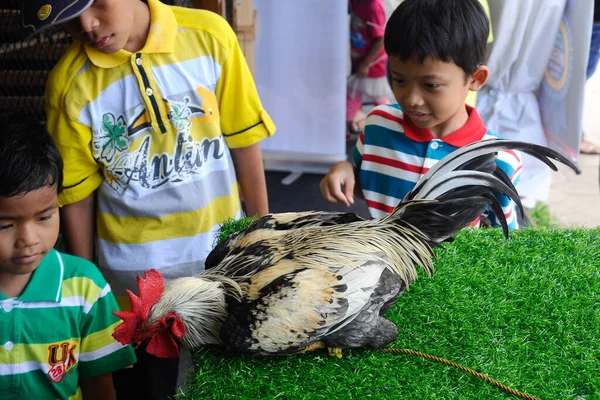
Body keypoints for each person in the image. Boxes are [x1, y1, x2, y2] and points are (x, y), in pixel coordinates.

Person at [20, 0, 275, 398]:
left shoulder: (210, 37)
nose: (86, 25)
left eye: (95, 4)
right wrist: (90, 283)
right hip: (134, 292)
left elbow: (245, 141)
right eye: (67, 20)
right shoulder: (70, 84)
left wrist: (266, 236)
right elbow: (77, 194)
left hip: (222, 267)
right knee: (149, 389)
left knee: (227, 383)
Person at [321, 0, 523, 229]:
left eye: (430, 85)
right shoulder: (377, 125)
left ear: (475, 79)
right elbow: (366, 182)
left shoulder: (500, 161)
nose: (411, 99)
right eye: (399, 80)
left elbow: (503, 243)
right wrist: (345, 170)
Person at [0, 111, 136, 400]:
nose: (28, 239)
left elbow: (100, 386)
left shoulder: (86, 289)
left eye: (45, 217)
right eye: (5, 225)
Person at [347, 0, 392, 140]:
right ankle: (392, 127)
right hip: (360, 62)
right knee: (377, 98)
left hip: (371, 65)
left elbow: (380, 39)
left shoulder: (373, 6)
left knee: (354, 98)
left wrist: (365, 64)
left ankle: (344, 132)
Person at [580, 0, 600, 154]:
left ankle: (575, 136)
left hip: (593, 20)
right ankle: (575, 137)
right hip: (583, 17)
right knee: (577, 81)